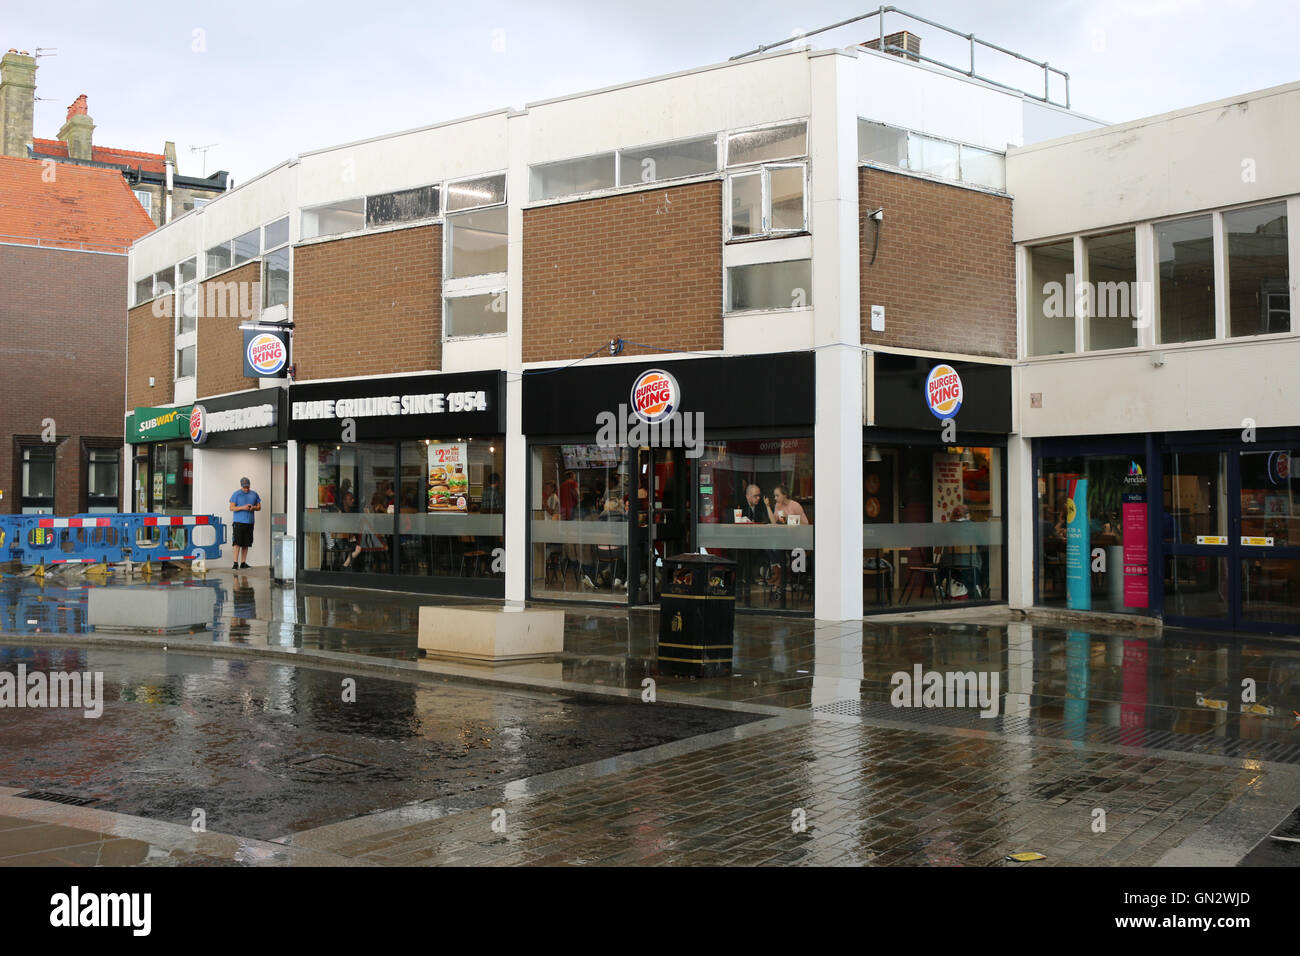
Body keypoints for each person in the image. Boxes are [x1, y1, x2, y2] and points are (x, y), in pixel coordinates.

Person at [228, 477, 261, 569]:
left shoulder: (254, 494)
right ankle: (235, 563)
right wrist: (243, 507)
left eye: (247, 486)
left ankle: (243, 563)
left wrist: (253, 508)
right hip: (238, 522)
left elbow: (259, 507)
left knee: (246, 543)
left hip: (250, 522)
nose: (246, 488)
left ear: (249, 485)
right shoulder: (236, 494)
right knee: (237, 543)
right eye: (244, 487)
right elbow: (231, 508)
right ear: (241, 486)